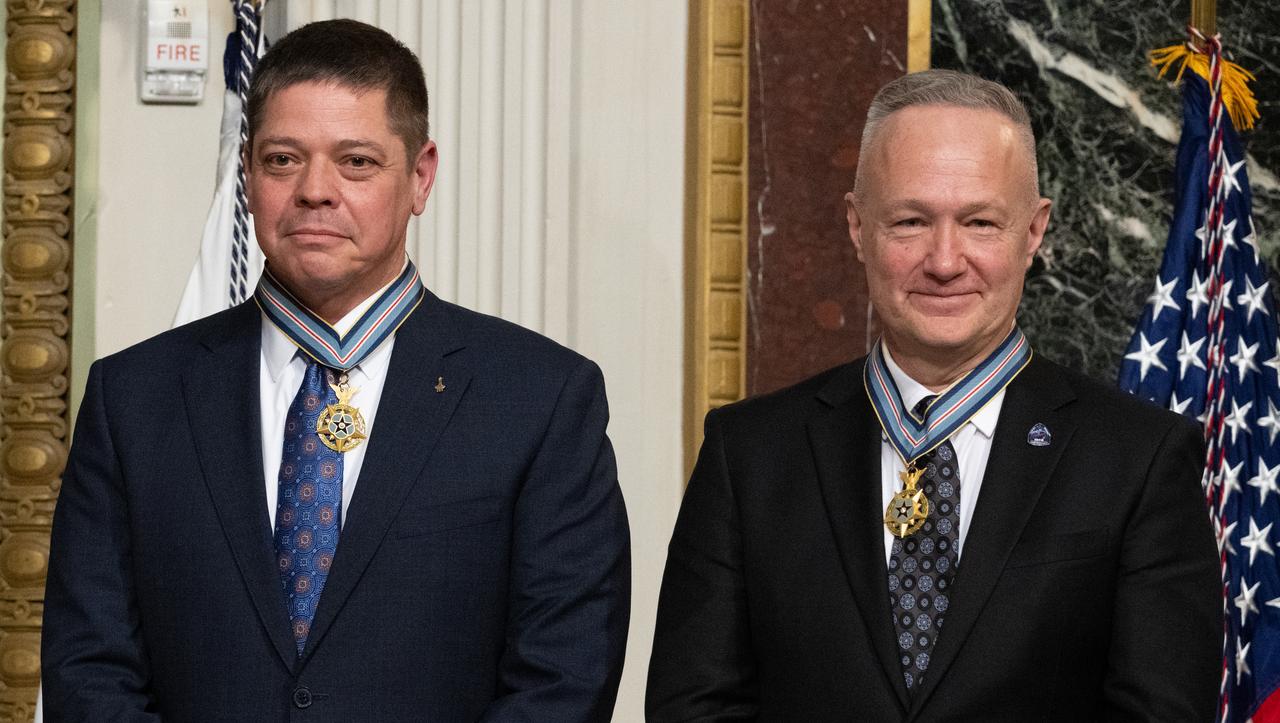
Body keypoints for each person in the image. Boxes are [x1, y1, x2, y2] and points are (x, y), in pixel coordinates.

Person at [42, 19, 629, 721]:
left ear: (420, 176)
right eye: (284, 159)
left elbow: (562, 678)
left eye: (355, 162)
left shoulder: (539, 400)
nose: (315, 190)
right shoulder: (133, 399)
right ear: (249, 175)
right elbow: (88, 667)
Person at [646, 69, 1220, 720]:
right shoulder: (747, 456)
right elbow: (692, 708)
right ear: (858, 227)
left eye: (979, 222)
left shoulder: (1139, 460)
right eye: (911, 221)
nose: (945, 261)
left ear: (1033, 232)